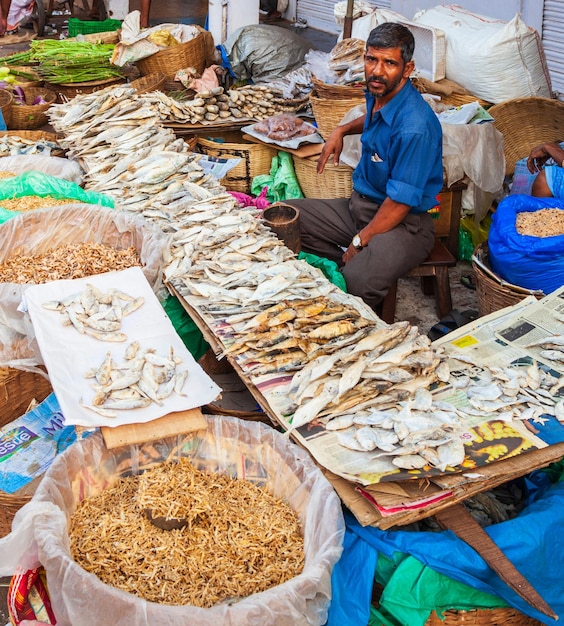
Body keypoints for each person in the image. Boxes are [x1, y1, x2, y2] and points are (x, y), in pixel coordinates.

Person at [286, 22, 443, 313]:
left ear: (407, 69)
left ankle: (356, 273)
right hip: (360, 208)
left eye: (389, 63)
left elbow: (398, 204)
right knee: (284, 218)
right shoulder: (379, 91)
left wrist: (359, 242)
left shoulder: (415, 128)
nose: (377, 70)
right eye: (372, 59)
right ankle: (346, 261)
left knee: (356, 286)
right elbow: (376, 119)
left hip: (403, 224)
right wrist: (342, 129)